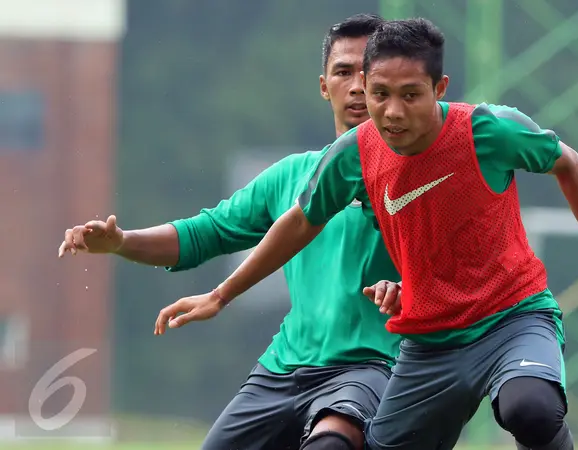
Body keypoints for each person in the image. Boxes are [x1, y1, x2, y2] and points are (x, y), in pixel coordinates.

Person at [155, 18, 578, 450]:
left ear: (439, 90)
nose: (392, 112)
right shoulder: (355, 153)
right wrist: (221, 295)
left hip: (511, 318)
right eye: (379, 94)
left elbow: (566, 164)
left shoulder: (489, 131)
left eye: (410, 95)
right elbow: (298, 223)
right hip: (428, 344)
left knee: (529, 407)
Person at [58, 13, 403, 450]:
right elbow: (205, 233)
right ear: (323, 86)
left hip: (371, 367)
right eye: (343, 72)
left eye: (368, 73)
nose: (356, 85)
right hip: (283, 370)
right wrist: (121, 242)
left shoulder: (418, 179)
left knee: (332, 445)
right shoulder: (290, 176)